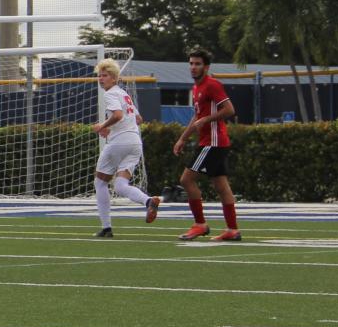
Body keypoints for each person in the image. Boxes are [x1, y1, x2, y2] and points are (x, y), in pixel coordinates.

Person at [173, 49, 241, 241]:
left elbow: (229, 110)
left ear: (206, 67)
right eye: (191, 63)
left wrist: (207, 120)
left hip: (213, 142)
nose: (193, 67)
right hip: (212, 142)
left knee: (186, 180)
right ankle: (232, 230)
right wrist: (183, 138)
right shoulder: (196, 88)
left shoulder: (212, 85)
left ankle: (200, 225)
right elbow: (196, 116)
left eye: (198, 64)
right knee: (221, 186)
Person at [90, 59, 159, 238]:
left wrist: (103, 126)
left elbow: (118, 115)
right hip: (135, 143)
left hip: (119, 142)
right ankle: (149, 201)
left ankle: (106, 228)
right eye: (99, 75)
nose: (100, 78)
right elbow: (138, 119)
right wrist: (112, 127)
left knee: (100, 182)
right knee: (120, 185)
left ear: (114, 78)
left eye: (105, 75)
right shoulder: (124, 94)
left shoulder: (111, 94)